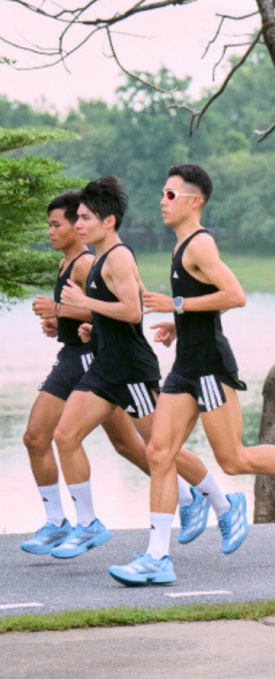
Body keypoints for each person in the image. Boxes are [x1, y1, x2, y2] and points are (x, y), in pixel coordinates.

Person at [108, 164, 275, 586]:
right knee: (159, 452)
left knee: (234, 459)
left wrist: (176, 306)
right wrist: (180, 324)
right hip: (186, 366)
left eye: (170, 195)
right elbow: (209, 301)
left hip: (209, 367)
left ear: (196, 201)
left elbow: (236, 295)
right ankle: (157, 557)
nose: (162, 202)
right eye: (162, 194)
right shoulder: (181, 246)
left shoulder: (200, 244)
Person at [51, 176, 227, 560]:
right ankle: (88, 523)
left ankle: (218, 501)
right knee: (65, 435)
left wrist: (85, 304)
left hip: (131, 372)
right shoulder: (101, 258)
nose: (79, 225)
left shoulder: (118, 256)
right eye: (77, 218)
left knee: (162, 448)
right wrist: (94, 326)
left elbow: (133, 312)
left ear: (108, 221)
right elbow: (125, 306)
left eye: (85, 218)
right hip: (104, 368)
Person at [20, 191, 180, 554]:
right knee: (109, 443)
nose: (53, 231)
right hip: (79, 355)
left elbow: (116, 310)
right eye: (54, 224)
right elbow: (91, 312)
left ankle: (198, 495)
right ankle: (61, 521)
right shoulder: (67, 262)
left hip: (93, 358)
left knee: (144, 445)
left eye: (58, 224)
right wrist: (59, 324)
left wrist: (61, 311)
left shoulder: (89, 261)